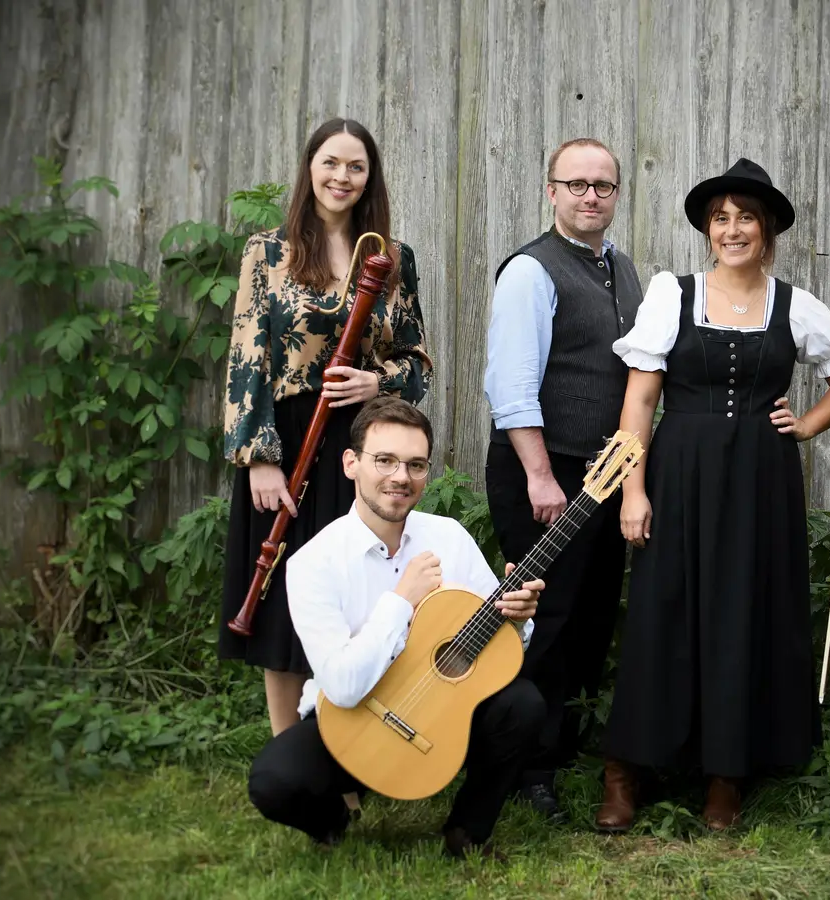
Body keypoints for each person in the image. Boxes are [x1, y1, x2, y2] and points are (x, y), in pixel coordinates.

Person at [596, 158, 830, 832]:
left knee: (745, 616)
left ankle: (726, 774)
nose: (732, 229)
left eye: (746, 218)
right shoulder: (670, 295)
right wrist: (633, 491)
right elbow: (639, 402)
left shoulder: (795, 305)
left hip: (762, 483)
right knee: (661, 612)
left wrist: (805, 426)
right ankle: (626, 771)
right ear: (708, 229)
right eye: (721, 218)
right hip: (678, 474)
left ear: (766, 230)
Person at [246, 398, 546, 858]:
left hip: (439, 714)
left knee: (521, 703)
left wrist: (516, 619)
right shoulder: (313, 563)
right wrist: (400, 601)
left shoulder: (449, 537)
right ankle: (333, 818)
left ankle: (467, 832)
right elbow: (343, 687)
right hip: (350, 723)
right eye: (384, 460)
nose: (400, 477)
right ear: (351, 464)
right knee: (273, 781)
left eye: (415, 464)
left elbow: (497, 651)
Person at [220, 117, 432, 736]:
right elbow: (245, 358)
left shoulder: (392, 258)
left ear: (371, 178)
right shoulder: (268, 251)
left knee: (354, 595)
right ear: (310, 166)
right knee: (288, 599)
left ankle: (350, 748)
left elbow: (417, 360)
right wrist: (259, 456)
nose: (342, 177)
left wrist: (378, 382)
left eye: (356, 166)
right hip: (287, 437)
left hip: (363, 444)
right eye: (331, 163)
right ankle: (290, 748)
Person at [482, 137, 642, 818]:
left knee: (591, 616)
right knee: (543, 619)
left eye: (602, 186)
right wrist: (541, 478)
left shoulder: (624, 269)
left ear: (616, 195)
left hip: (603, 474)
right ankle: (525, 768)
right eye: (575, 184)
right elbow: (511, 386)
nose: (589, 196)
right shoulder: (530, 270)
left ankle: (560, 742)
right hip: (543, 472)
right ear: (551, 192)